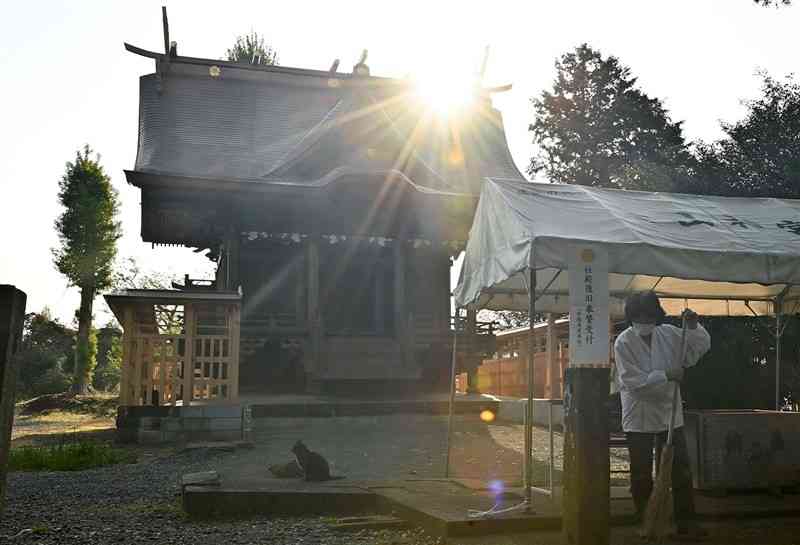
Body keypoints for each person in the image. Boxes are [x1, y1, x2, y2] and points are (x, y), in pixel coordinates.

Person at [613, 291, 711, 540]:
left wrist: (692, 326)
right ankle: (647, 523)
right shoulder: (623, 343)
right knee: (642, 473)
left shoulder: (667, 333)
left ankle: (686, 522)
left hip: (669, 411)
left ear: (656, 315)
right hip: (640, 414)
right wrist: (666, 374)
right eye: (639, 316)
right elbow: (632, 382)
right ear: (631, 317)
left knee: (680, 469)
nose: (644, 320)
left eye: (649, 315)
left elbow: (696, 348)